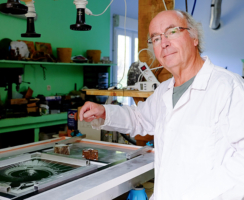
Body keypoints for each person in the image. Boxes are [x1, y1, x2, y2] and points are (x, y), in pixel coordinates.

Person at [79, 10, 244, 200]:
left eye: (172, 31)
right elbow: (139, 118)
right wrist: (104, 112)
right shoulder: (164, 90)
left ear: (194, 37)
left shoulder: (229, 88)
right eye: (156, 38)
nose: (164, 43)